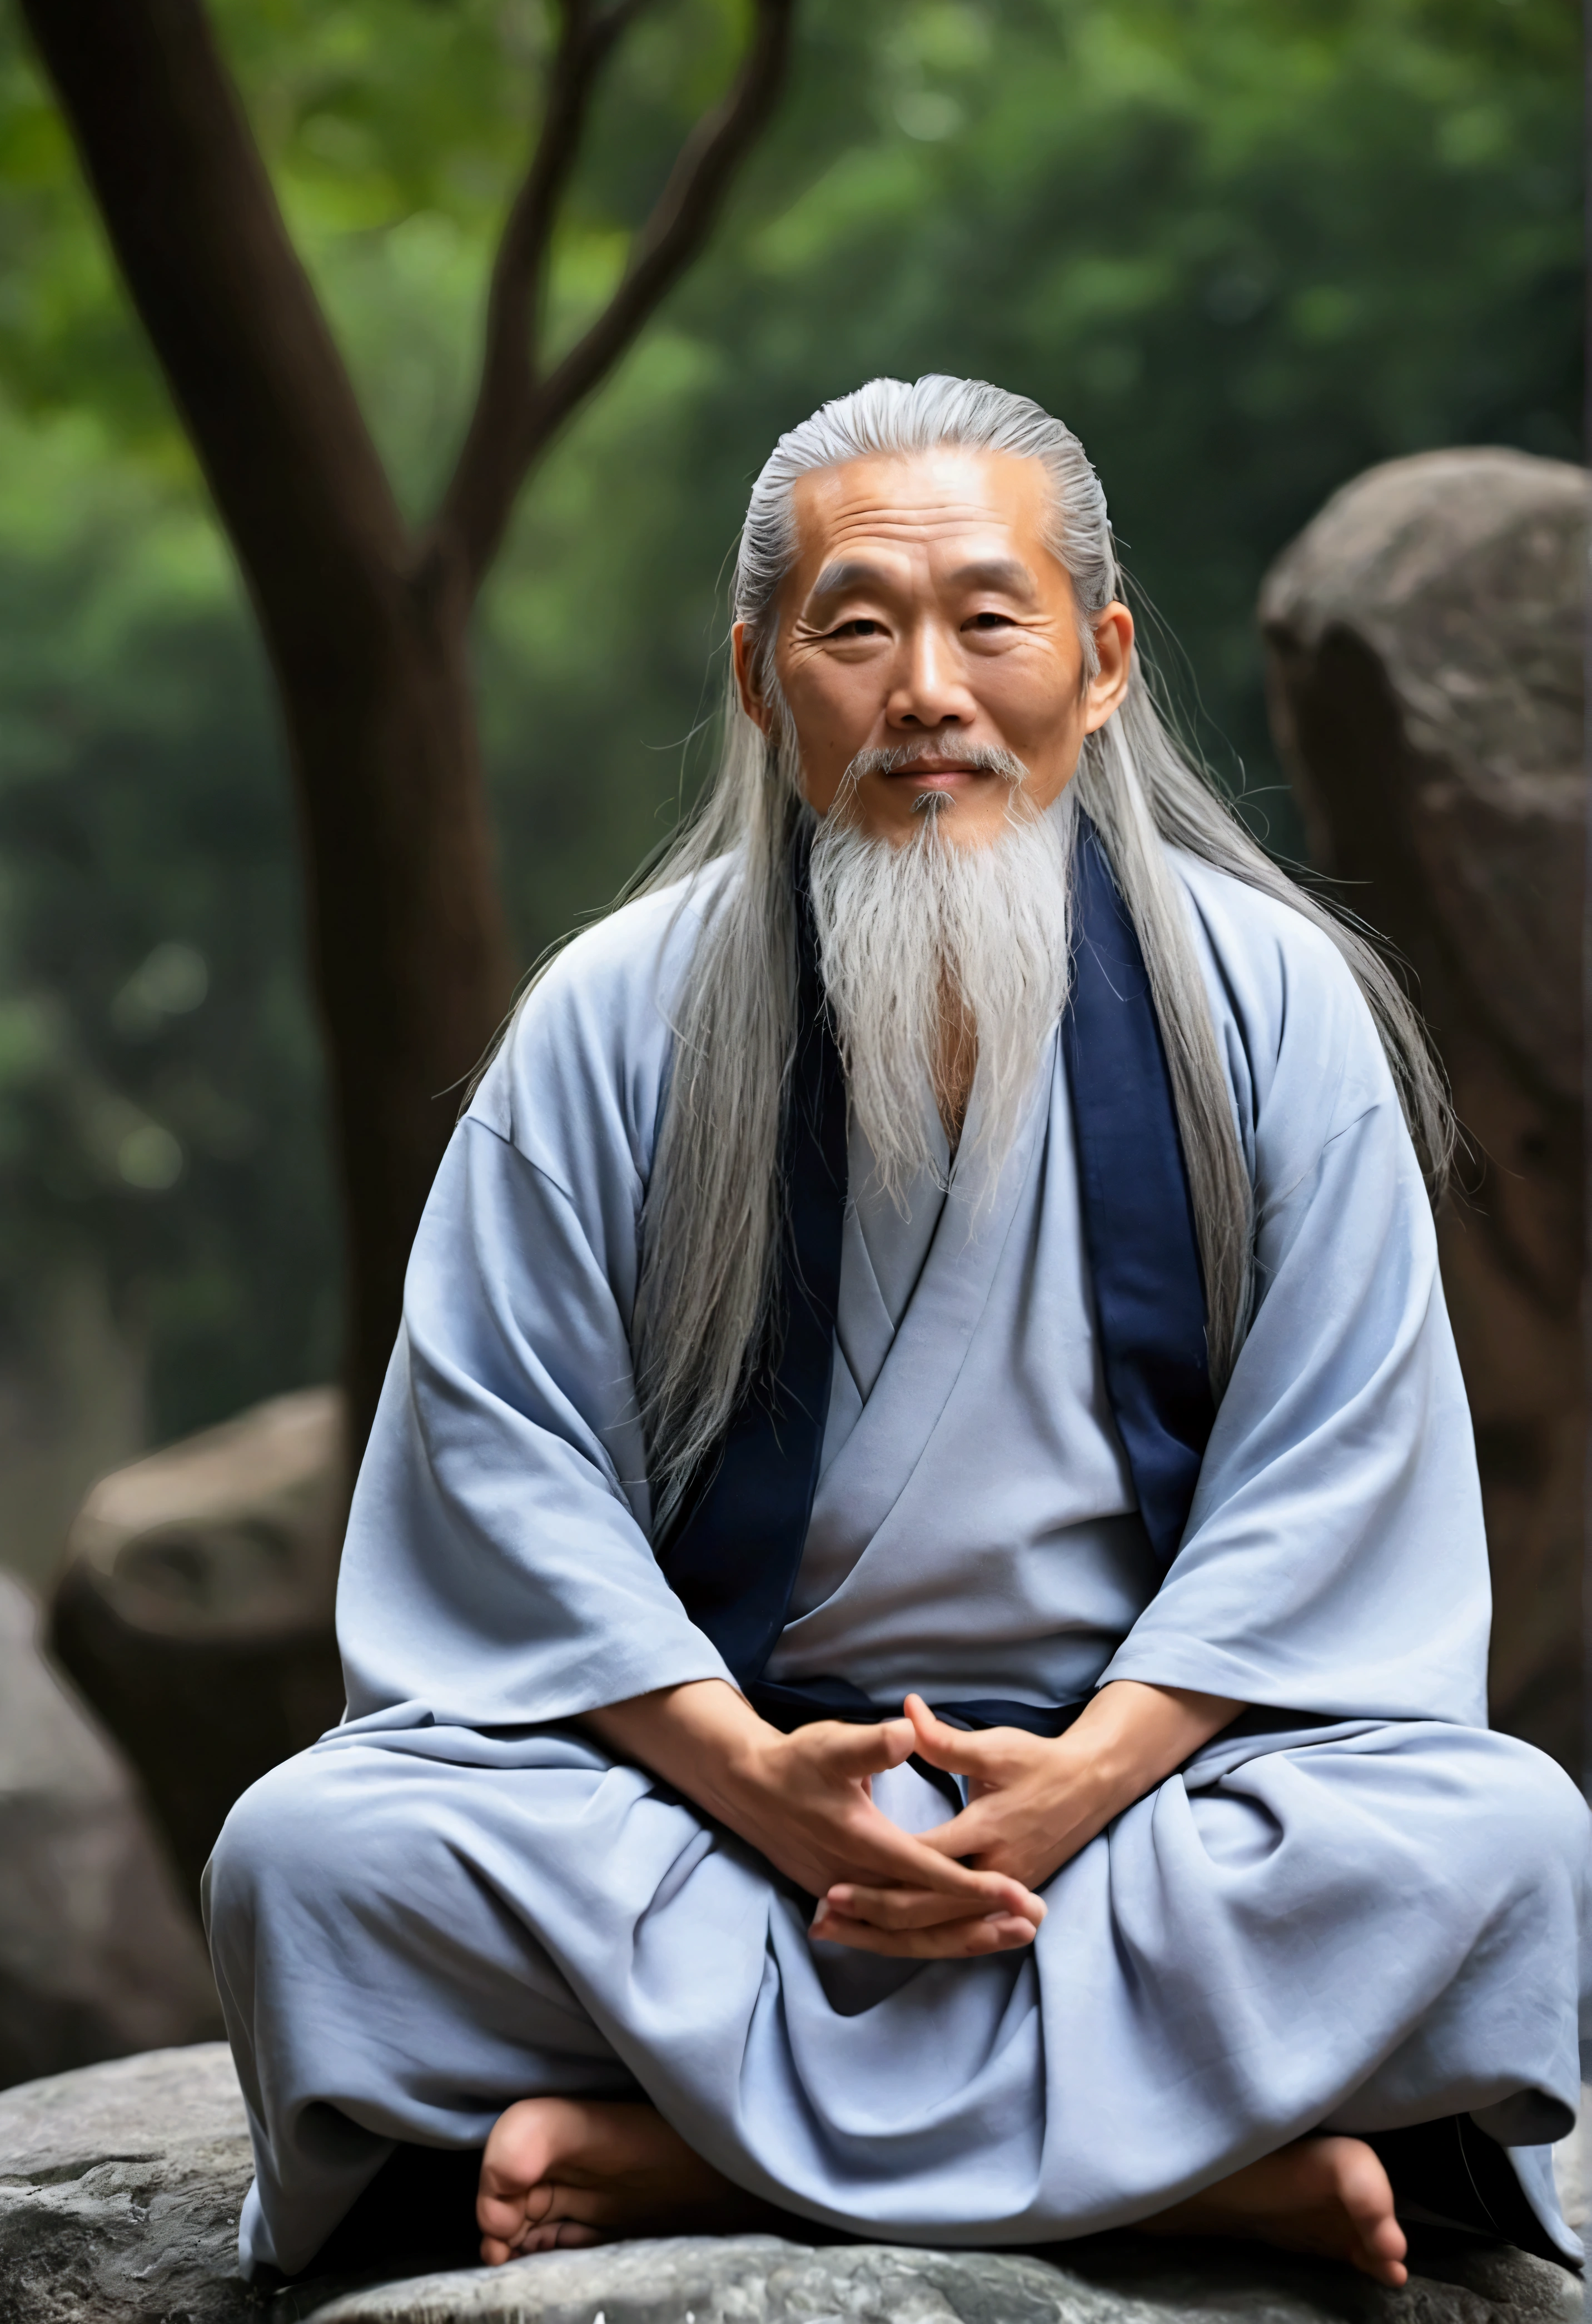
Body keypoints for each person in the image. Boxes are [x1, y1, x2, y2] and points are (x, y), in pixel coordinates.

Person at [206, 376, 1591, 2291]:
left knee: (1501, 1839)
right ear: (767, 683)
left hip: (1147, 1804)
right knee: (315, 1861)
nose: (926, 688)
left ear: (1100, 665)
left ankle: (678, 2159)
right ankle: (1195, 2174)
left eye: (987, 620)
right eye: (856, 627)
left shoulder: (1268, 1003)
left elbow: (1334, 1471)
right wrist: (755, 1784)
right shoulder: (611, 1020)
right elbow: (503, 1468)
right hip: (708, 1805)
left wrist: (1084, 1780)